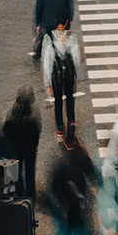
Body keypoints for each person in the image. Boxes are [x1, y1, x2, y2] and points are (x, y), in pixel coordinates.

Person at [42, 20, 81, 148]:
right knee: (70, 100)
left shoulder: (49, 40)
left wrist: (47, 82)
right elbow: (76, 58)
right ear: (66, 23)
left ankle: (60, 128)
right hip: (69, 75)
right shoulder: (72, 38)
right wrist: (77, 75)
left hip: (56, 76)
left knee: (58, 102)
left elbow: (47, 62)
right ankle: (71, 121)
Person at [2, 87, 42, 201]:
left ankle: (19, 196)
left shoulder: (13, 115)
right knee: (30, 174)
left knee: (17, 175)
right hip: (29, 149)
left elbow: (6, 131)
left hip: (15, 149)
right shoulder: (33, 116)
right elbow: (36, 131)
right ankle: (30, 198)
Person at [34, 0, 74, 65]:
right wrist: (69, 22)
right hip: (62, 23)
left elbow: (38, 9)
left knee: (46, 43)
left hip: (47, 23)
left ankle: (40, 59)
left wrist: (38, 24)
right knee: (63, 45)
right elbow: (70, 8)